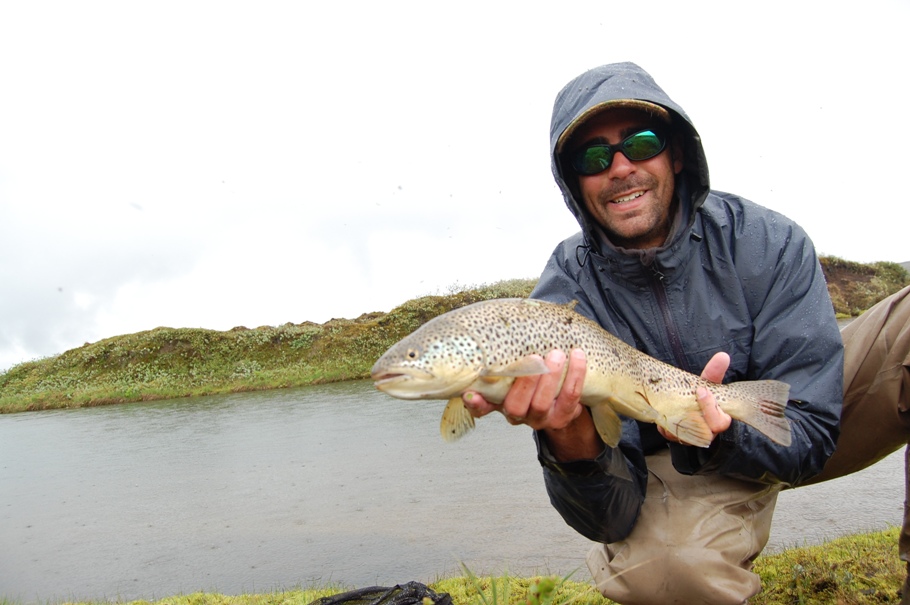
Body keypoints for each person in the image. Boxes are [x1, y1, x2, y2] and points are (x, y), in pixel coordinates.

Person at [462, 61, 910, 604]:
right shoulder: (561, 302)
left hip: (794, 420)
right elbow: (609, 515)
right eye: (593, 157)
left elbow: (810, 429)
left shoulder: (769, 241)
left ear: (676, 152)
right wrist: (568, 437)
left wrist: (732, 430)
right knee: (669, 576)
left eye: (641, 143)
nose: (620, 167)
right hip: (675, 466)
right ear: (573, 182)